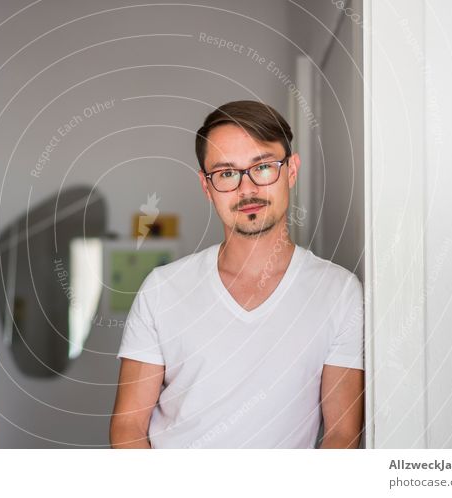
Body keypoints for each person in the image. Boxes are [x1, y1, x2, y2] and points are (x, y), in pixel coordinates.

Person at [109, 100, 364, 449]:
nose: (247, 190)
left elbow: (343, 433)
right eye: (227, 173)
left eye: (262, 167)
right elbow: (129, 427)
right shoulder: (163, 289)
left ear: (291, 170)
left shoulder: (338, 292)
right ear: (206, 186)